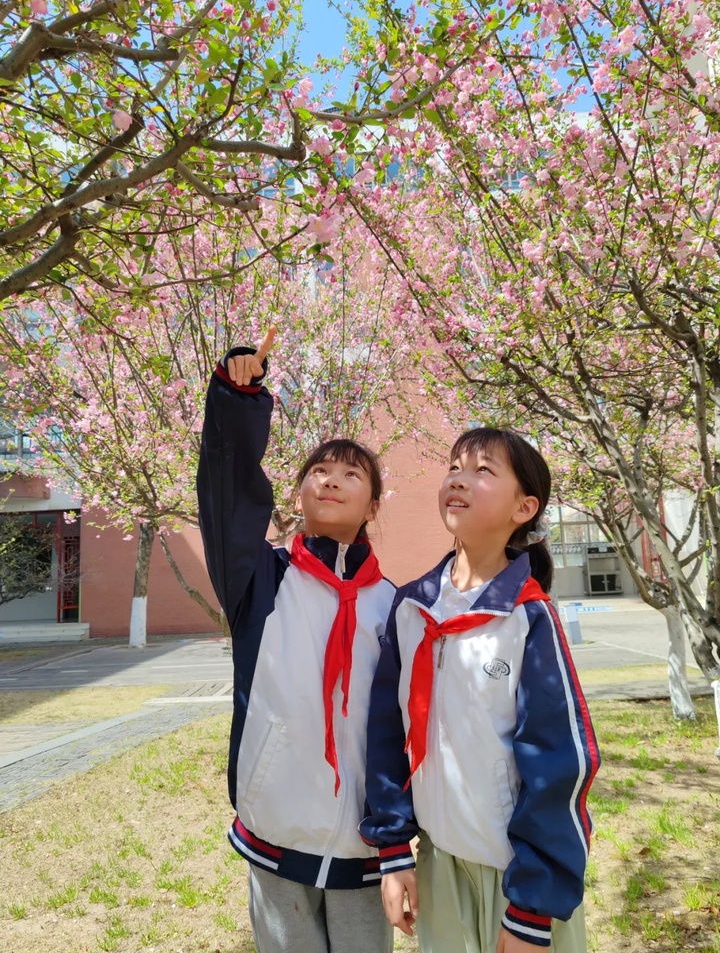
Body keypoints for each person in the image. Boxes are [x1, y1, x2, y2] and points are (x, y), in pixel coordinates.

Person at [360, 427, 600, 952]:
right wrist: (394, 849)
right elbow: (387, 736)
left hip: (515, 879)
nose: (459, 480)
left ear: (524, 507)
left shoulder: (528, 618)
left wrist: (532, 909)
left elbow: (559, 764)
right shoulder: (412, 609)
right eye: (453, 467)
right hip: (440, 864)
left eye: (483, 471)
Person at [196, 328, 395, 953]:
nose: (331, 481)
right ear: (300, 491)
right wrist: (238, 399)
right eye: (318, 471)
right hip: (277, 821)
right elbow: (225, 498)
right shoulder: (259, 579)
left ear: (373, 504)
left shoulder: (395, 605)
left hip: (365, 837)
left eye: (350, 474)